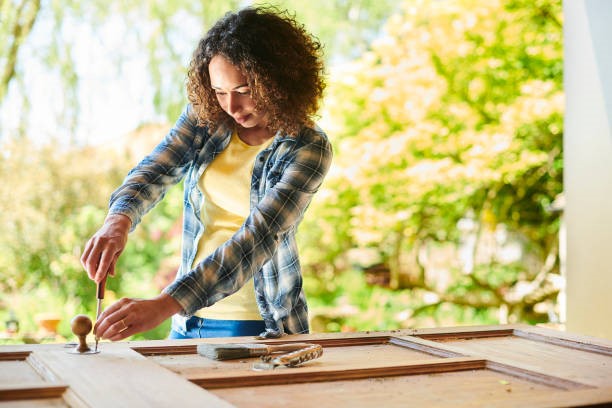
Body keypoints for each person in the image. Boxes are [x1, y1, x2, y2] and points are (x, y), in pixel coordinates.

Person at [81, 6, 332, 340]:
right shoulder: (205, 120)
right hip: (186, 318)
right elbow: (156, 170)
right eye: (219, 91)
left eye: (244, 91)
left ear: (280, 80)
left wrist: (163, 303)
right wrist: (117, 222)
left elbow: (257, 240)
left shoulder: (308, 148)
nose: (231, 106)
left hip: (256, 324)